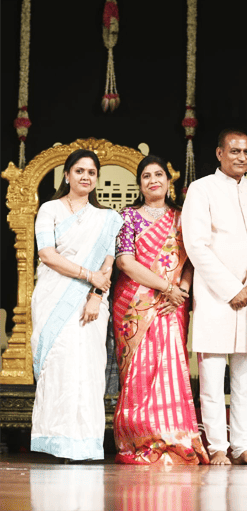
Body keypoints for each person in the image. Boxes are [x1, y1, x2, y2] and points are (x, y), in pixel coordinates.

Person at [113, 155, 209, 465]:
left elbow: (191, 259)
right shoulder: (127, 216)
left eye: (159, 174)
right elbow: (125, 262)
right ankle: (138, 438)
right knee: (139, 373)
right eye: (146, 176)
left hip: (172, 303)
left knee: (169, 369)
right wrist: (167, 287)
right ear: (139, 184)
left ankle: (174, 438)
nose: (153, 180)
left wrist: (182, 290)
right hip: (133, 304)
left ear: (169, 181)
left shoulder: (182, 217)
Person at [181, 129, 247, 466]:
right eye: (234, 151)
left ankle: (244, 446)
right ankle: (217, 445)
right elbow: (196, 245)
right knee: (212, 377)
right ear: (219, 153)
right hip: (215, 296)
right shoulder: (201, 189)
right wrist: (232, 290)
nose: (241, 157)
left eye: (246, 151)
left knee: (246, 377)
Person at [31, 149, 123, 461]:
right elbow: (47, 254)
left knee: (88, 369)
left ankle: (84, 444)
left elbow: (107, 263)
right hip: (53, 298)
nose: (85, 176)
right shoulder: (50, 209)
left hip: (90, 303)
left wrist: (96, 295)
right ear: (67, 175)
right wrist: (88, 275)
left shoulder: (107, 218)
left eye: (91, 172)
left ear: (97, 179)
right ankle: (56, 441)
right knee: (59, 366)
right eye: (79, 170)